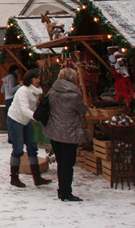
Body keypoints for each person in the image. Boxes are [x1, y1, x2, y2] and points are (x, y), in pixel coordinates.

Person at [43, 67, 88, 202]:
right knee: (68, 164)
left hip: (55, 132)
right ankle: (66, 192)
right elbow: (82, 110)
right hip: (69, 133)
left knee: (61, 162)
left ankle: (61, 190)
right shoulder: (74, 94)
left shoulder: (52, 92)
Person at [7, 68, 52, 188]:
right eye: (36, 78)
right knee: (18, 148)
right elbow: (25, 109)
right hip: (16, 119)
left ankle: (37, 178)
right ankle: (14, 177)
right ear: (30, 79)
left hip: (26, 120)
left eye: (39, 78)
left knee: (32, 146)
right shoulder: (23, 91)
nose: (38, 80)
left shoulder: (36, 91)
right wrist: (37, 117)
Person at [1, 65, 20, 142]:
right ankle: (13, 137)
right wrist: (20, 85)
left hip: (7, 99)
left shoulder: (6, 78)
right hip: (11, 99)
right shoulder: (12, 77)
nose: (18, 73)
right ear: (15, 70)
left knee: (10, 118)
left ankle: (10, 137)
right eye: (17, 71)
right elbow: (12, 90)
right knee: (13, 118)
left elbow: (2, 90)